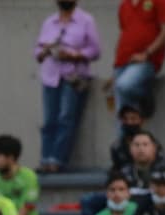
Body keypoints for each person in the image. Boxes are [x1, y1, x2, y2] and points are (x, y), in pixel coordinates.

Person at [35, 0, 100, 173]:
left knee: (66, 118)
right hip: (51, 77)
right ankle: (45, 159)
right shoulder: (49, 22)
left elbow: (95, 51)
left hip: (73, 77)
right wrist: (46, 51)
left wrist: (74, 54)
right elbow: (37, 52)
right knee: (49, 120)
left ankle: (57, 159)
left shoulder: (86, 20)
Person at [111, 0, 165, 116]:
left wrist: (147, 53)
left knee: (124, 85)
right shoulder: (124, 4)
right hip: (122, 60)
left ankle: (146, 95)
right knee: (123, 112)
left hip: (145, 61)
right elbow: (125, 31)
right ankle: (126, 129)